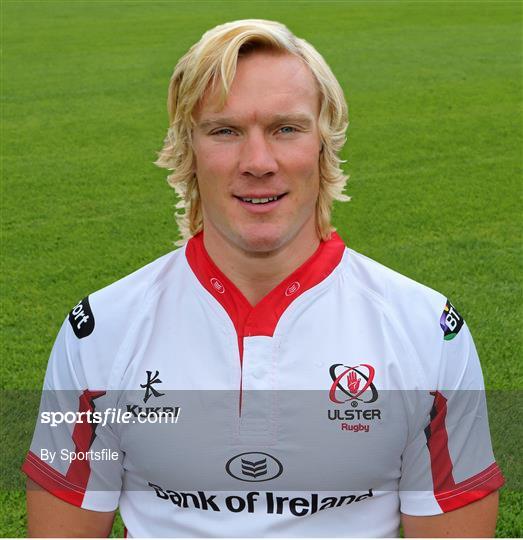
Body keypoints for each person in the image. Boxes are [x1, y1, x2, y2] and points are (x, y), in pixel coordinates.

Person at [24, 19, 504, 537]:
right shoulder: (99, 332)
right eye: (225, 131)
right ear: (189, 150)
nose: (258, 162)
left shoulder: (427, 330)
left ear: (323, 145)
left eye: (286, 129)